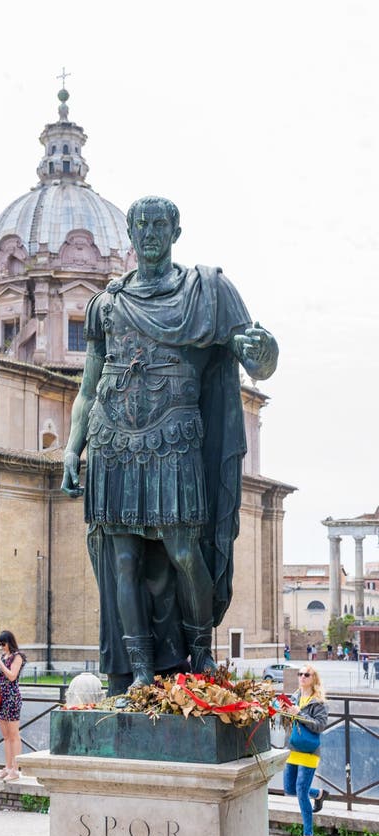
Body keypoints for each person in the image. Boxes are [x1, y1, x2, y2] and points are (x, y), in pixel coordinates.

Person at [61, 195, 278, 692]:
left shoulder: (208, 291)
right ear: (130, 235)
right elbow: (88, 387)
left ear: (175, 231)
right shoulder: (106, 304)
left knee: (183, 550)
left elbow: (259, 360)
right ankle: (138, 673)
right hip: (112, 441)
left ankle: (199, 654)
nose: (150, 234)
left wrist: (260, 350)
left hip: (174, 438)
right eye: (141, 226)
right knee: (122, 560)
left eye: (160, 224)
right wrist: (73, 449)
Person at [280, 664, 329, 836]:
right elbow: (289, 722)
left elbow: (319, 726)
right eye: (300, 674)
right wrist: (284, 711)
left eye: (306, 674)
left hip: (309, 751)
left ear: (313, 678)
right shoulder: (295, 697)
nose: (302, 677)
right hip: (293, 748)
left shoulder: (319, 702)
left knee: (301, 790)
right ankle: (319, 794)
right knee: (290, 789)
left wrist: (299, 713)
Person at [0, 630, 26, 782]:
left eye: (3, 644)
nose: (2, 647)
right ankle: (8, 766)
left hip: (12, 697)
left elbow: (12, 676)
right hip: (1, 697)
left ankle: (16, 769)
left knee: (14, 735)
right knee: (5, 736)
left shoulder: (18, 657)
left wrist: (0, 663)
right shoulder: (3, 657)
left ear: (9, 642)